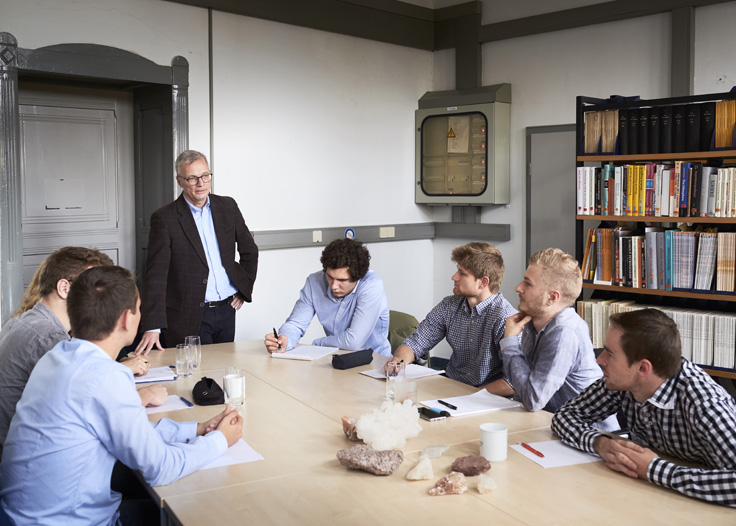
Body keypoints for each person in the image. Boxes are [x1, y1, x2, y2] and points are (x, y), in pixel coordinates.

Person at [0, 266, 243, 524]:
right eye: (139, 308)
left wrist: (197, 429)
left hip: (24, 517)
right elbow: (161, 469)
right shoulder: (105, 376)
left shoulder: (58, 357)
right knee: (201, 511)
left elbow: (129, 429)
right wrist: (220, 441)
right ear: (127, 319)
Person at [552, 309, 736, 507]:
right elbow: (565, 416)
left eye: (610, 353)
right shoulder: (623, 382)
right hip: (655, 498)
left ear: (643, 368)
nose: (600, 360)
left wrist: (654, 469)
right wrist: (600, 444)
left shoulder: (706, 405)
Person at [0, 247, 158, 458]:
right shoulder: (48, 337)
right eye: (91, 285)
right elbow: (93, 406)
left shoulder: (26, 321)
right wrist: (141, 391)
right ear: (64, 288)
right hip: (33, 454)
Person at [136, 150, 259, 353]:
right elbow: (156, 275)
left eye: (205, 176)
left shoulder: (227, 206)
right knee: (194, 376)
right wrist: (153, 325)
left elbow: (250, 251)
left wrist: (244, 289)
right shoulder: (165, 218)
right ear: (180, 181)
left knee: (224, 371)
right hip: (188, 315)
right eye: (192, 178)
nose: (201, 183)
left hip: (227, 310)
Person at [387, 242, 516, 394]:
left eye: (462, 273)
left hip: (487, 397)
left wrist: (469, 396)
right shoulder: (449, 305)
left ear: (483, 282)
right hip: (451, 388)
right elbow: (416, 342)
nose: (454, 277)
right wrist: (398, 361)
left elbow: (512, 383)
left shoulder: (505, 318)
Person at [501, 248, 611, 417]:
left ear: (552, 298)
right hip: (548, 422)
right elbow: (523, 391)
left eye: (528, 283)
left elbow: (532, 400)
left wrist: (510, 341)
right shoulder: (532, 323)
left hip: (586, 433)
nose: (518, 288)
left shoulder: (564, 332)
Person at [265, 238, 391, 356]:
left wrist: (318, 344)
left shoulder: (372, 285)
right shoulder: (314, 282)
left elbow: (354, 342)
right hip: (334, 359)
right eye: (330, 277)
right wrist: (285, 339)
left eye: (342, 280)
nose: (334, 286)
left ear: (358, 277)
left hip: (374, 363)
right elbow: (296, 324)